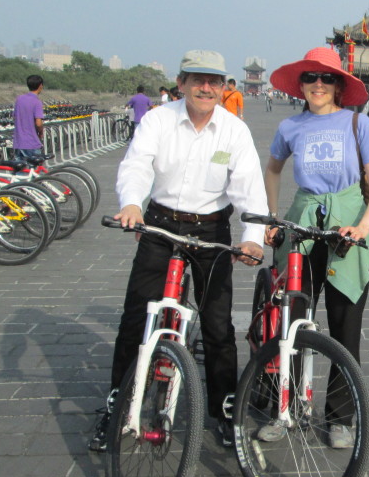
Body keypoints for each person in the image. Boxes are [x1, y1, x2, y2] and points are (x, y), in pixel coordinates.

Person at [88, 49, 268, 452]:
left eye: (215, 81)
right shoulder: (158, 119)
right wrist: (132, 203)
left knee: (219, 326)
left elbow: (248, 187)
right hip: (160, 224)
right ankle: (116, 405)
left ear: (223, 88)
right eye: (198, 79)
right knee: (136, 317)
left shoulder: (234, 131)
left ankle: (224, 413)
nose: (207, 88)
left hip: (211, 229)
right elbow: (137, 164)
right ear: (182, 83)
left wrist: (252, 235)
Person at [260, 46, 369, 449]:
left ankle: (340, 417)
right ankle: (288, 406)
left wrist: (362, 227)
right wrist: (273, 216)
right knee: (292, 322)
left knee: (345, 326)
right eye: (310, 78)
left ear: (338, 85)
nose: (318, 85)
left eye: (326, 78)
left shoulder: (357, 124)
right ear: (300, 85)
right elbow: (273, 169)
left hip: (347, 228)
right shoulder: (290, 127)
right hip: (301, 227)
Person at [12, 74, 45, 161]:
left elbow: (15, 117)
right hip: (31, 142)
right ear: (40, 86)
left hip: (18, 142)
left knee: (20, 171)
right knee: (35, 171)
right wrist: (41, 132)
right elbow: (38, 123)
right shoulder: (37, 102)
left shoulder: (19, 99)